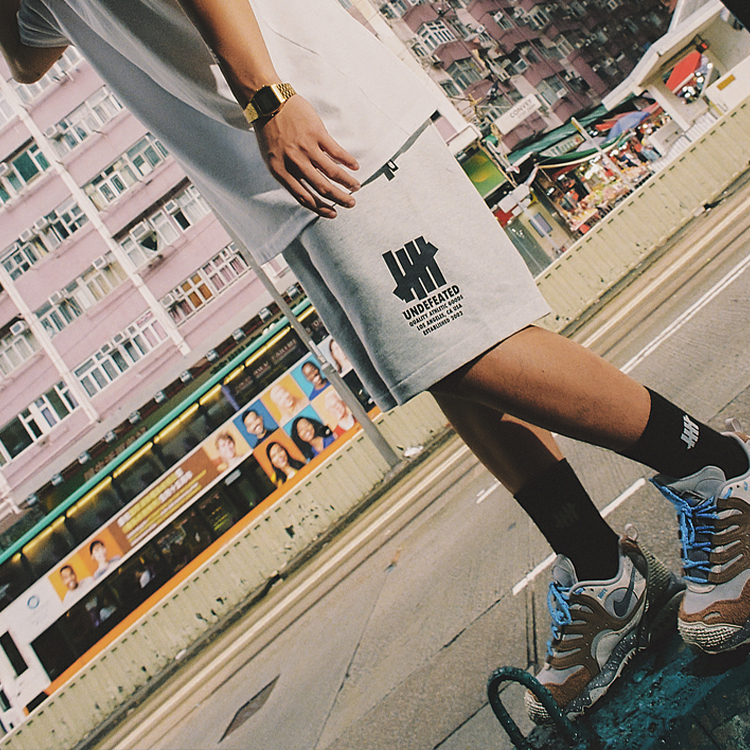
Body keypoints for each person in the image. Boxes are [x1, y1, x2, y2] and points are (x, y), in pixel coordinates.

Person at [5, 0, 750, 725]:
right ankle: (599, 571)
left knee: (469, 349)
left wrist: (269, 98)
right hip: (268, 173)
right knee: (443, 364)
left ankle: (719, 474)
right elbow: (27, 53)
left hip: (312, 119)